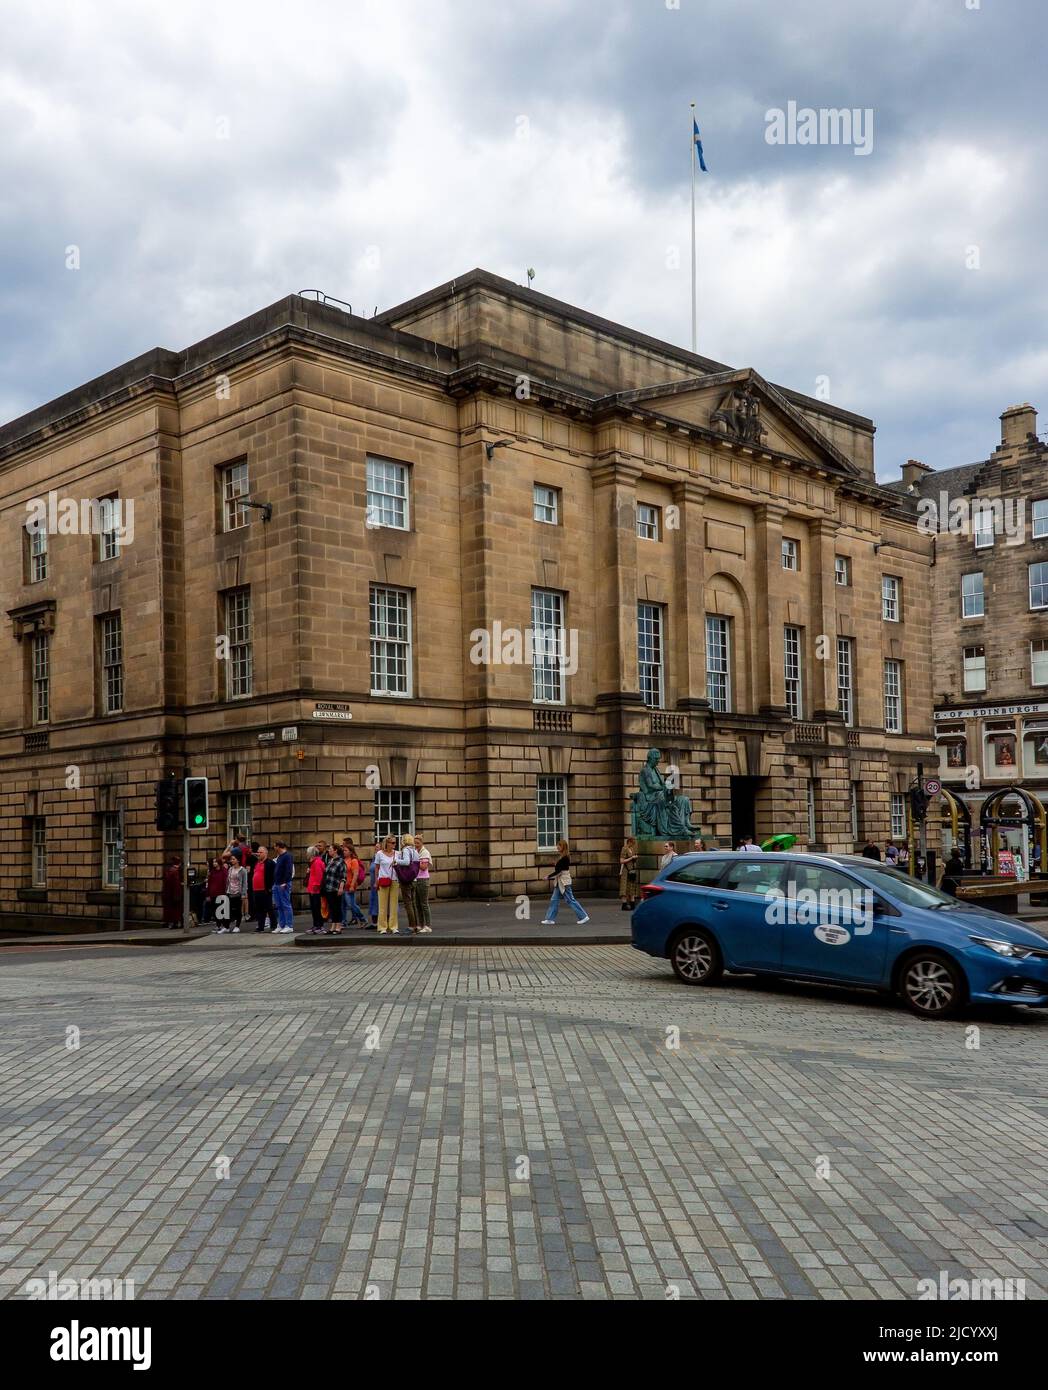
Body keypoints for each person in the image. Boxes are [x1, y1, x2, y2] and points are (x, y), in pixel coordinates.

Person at [541, 840, 590, 925]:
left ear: (563, 847)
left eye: (559, 846)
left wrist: (548, 877)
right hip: (560, 881)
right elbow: (560, 869)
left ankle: (583, 916)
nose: (557, 847)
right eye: (557, 845)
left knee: (570, 900)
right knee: (554, 900)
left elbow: (559, 872)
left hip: (564, 882)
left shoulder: (564, 858)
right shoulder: (563, 857)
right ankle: (550, 919)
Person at [374, 836, 400, 934]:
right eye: (392, 843)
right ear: (387, 843)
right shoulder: (379, 854)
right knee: (382, 905)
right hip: (383, 879)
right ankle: (382, 927)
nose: (394, 844)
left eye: (395, 843)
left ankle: (393, 926)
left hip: (395, 880)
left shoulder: (398, 854)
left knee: (394, 905)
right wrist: (376, 880)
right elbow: (377, 868)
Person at [271, 839, 296, 934]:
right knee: (279, 905)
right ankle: (281, 924)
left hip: (283, 883)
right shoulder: (280, 857)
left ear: (278, 846)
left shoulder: (287, 856)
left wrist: (285, 882)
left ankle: (289, 925)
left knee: (286, 904)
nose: (274, 848)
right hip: (277, 883)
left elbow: (289, 870)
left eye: (275, 846)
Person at [321, 845, 347, 933]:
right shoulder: (330, 860)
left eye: (331, 849)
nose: (329, 851)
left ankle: (338, 926)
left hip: (336, 887)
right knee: (331, 907)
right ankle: (333, 926)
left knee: (337, 907)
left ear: (335, 851)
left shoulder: (341, 861)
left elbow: (343, 876)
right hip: (328, 887)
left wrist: (341, 887)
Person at [341, 842, 367, 928]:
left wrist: (352, 885)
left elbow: (355, 874)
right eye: (343, 850)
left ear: (350, 852)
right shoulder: (343, 860)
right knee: (343, 905)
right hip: (343, 886)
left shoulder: (354, 861)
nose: (343, 852)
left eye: (345, 850)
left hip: (350, 886)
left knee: (351, 904)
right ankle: (343, 922)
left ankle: (363, 919)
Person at [219, 852, 246, 933]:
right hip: (229, 892)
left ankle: (237, 926)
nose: (232, 861)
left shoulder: (242, 870)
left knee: (237, 910)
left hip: (238, 893)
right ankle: (226, 927)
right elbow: (228, 881)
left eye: (233, 859)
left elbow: (244, 883)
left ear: (238, 860)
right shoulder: (230, 869)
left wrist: (243, 894)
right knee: (227, 910)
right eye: (231, 859)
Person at [251, 845, 275, 933]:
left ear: (266, 853)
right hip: (256, 890)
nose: (259, 854)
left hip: (265, 889)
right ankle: (260, 926)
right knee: (259, 909)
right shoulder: (256, 863)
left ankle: (273, 925)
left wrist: (270, 887)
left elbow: (273, 876)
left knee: (269, 908)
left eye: (261, 852)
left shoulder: (270, 863)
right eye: (258, 852)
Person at [414, 835, 433, 933]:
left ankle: (428, 925)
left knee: (424, 903)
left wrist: (414, 862)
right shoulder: (417, 852)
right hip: (416, 879)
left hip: (423, 879)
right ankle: (420, 925)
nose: (416, 845)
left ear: (422, 843)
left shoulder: (424, 852)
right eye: (415, 843)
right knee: (418, 904)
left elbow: (423, 867)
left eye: (417, 843)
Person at [306, 843, 327, 933]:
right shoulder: (314, 862)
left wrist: (315, 886)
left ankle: (319, 925)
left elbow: (319, 876)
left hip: (315, 889)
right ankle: (316, 925)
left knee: (316, 907)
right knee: (314, 908)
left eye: (308, 853)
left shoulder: (317, 862)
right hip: (312, 888)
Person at [162, 855, 183, 929]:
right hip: (175, 895)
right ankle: (175, 923)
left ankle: (170, 923)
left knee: (170, 910)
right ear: (179, 863)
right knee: (176, 910)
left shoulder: (169, 870)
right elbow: (176, 885)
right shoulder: (175, 872)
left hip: (168, 894)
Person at [205, 857, 226, 929]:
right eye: (213, 862)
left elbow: (225, 883)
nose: (214, 863)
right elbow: (209, 883)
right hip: (213, 893)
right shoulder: (212, 872)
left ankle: (223, 925)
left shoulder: (223, 871)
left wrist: (225, 893)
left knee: (221, 910)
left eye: (216, 862)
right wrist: (207, 894)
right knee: (215, 910)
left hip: (221, 893)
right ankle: (218, 925)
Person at [619, 837, 639, 910]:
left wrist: (635, 858)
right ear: (629, 842)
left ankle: (632, 904)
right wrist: (631, 858)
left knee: (632, 886)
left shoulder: (632, 849)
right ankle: (624, 905)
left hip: (632, 870)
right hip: (626, 870)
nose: (634, 844)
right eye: (633, 843)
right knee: (624, 887)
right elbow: (621, 861)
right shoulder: (624, 848)